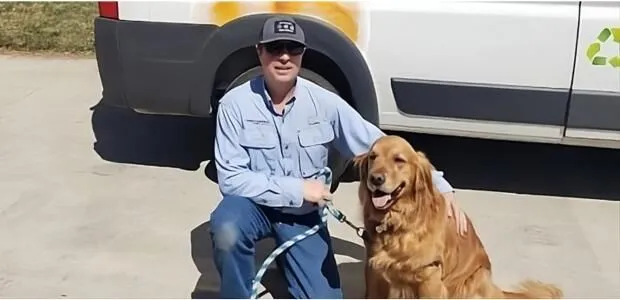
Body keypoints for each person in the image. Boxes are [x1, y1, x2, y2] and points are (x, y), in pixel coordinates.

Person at [209, 15, 468, 299]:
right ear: (259, 51)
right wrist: (297, 189)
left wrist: (440, 186)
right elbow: (231, 179)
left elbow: (380, 145)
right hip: (253, 206)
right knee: (227, 228)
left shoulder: (325, 103)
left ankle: (289, 259)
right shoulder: (234, 105)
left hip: (302, 217)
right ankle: (238, 293)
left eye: (292, 49)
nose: (284, 57)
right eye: (274, 48)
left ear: (302, 55)